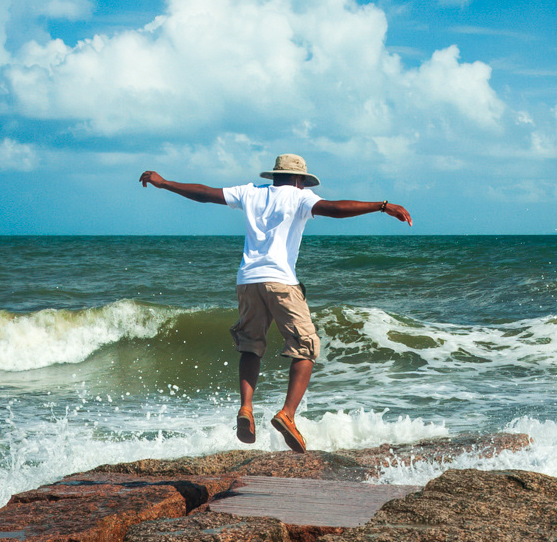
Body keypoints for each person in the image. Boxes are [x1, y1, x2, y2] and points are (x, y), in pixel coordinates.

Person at [138, 154, 412, 453]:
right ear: (299, 180)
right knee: (306, 346)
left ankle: (245, 408)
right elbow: (334, 209)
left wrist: (163, 183)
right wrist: (382, 206)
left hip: (247, 280)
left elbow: (204, 193)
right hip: (280, 280)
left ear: (275, 175)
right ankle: (287, 414)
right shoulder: (300, 198)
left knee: (250, 346)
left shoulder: (251, 192)